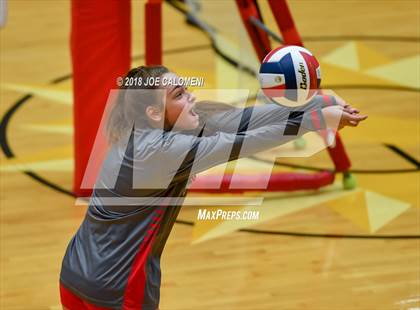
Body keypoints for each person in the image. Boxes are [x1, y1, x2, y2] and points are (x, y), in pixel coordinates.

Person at [59, 65, 367, 310]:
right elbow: (244, 142)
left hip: (74, 275)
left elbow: (244, 120)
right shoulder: (161, 150)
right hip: (118, 287)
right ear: (154, 113)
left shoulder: (146, 129)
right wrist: (315, 121)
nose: (190, 97)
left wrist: (320, 102)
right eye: (179, 94)